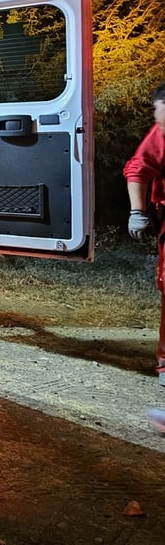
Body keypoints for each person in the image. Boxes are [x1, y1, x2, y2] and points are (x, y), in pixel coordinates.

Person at [123, 82, 165, 386]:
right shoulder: (161, 134)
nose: (155, 114)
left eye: (157, 108)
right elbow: (139, 167)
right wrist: (138, 212)